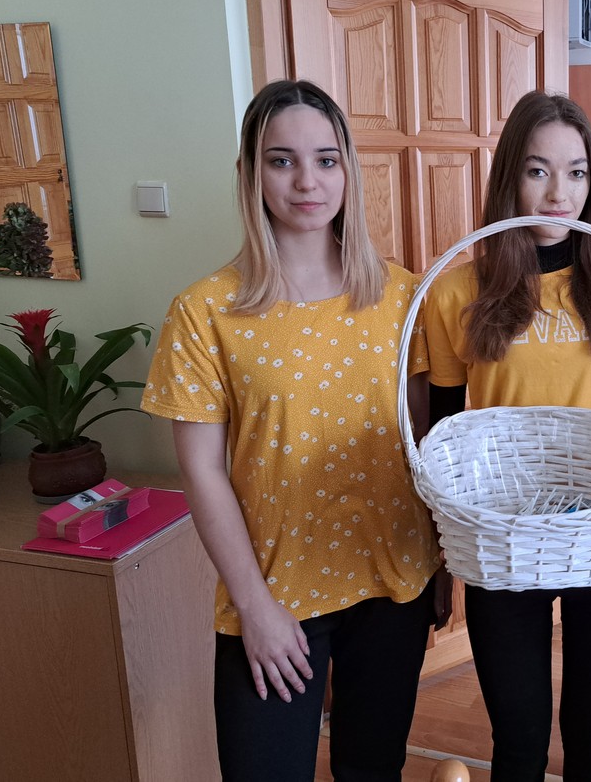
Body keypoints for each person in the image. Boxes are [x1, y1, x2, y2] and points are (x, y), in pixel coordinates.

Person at [142, 79, 449, 782]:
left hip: (393, 584)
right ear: (250, 174)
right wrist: (254, 607)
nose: (307, 181)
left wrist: (439, 562)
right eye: (282, 161)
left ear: (348, 171)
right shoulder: (206, 312)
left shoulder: (401, 295)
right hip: (272, 596)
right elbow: (202, 471)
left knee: (373, 769)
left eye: (326, 160)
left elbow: (422, 442)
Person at [424, 90, 591, 782]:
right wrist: (437, 553)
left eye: (575, 172)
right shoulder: (456, 293)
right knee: (519, 739)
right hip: (504, 538)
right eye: (537, 170)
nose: (558, 193)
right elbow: (442, 430)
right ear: (510, 177)